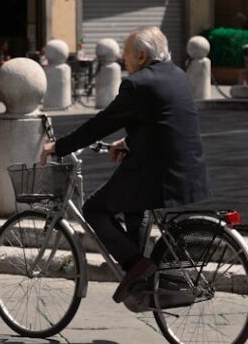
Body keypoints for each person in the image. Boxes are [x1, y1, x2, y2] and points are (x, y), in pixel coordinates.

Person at [40, 26, 210, 306]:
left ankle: (136, 264)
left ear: (141, 56)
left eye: (126, 55)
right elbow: (163, 121)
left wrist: (59, 146)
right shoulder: (176, 74)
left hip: (156, 171)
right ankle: (142, 278)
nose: (123, 60)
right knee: (133, 204)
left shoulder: (138, 84)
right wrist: (129, 142)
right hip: (187, 168)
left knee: (94, 209)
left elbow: (101, 124)